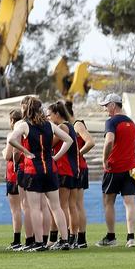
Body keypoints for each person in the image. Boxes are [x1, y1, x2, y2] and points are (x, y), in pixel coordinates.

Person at [8, 96, 73, 251]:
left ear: (27, 109)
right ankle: (64, 240)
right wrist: (56, 157)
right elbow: (69, 139)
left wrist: (25, 151)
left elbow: (11, 139)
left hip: (33, 171)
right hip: (50, 170)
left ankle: (39, 243)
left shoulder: (24, 125)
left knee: (35, 208)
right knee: (56, 207)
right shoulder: (49, 124)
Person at [96, 93, 135, 248]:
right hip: (130, 168)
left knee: (108, 202)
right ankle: (131, 237)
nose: (106, 109)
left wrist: (104, 159)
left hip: (114, 168)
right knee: (130, 202)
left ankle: (111, 237)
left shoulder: (111, 121)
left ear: (113, 105)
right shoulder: (132, 123)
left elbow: (109, 141)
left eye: (107, 105)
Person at [46, 101, 80, 247]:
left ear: (57, 114)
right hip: (70, 169)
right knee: (68, 205)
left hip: (64, 169)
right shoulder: (70, 126)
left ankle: (63, 238)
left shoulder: (62, 127)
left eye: (49, 115)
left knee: (62, 205)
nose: (47, 118)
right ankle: (68, 238)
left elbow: (49, 143)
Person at [66, 101, 95, 248]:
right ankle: (78, 237)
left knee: (76, 204)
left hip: (78, 167)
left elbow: (90, 142)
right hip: (75, 167)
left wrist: (77, 154)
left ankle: (79, 238)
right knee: (75, 204)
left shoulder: (77, 124)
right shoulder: (68, 126)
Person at [3, 109, 23, 250]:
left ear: (12, 121)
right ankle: (34, 237)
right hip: (27, 171)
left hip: (13, 173)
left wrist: (4, 151)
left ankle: (16, 240)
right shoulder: (26, 132)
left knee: (15, 209)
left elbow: (7, 155)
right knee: (28, 207)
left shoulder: (13, 134)